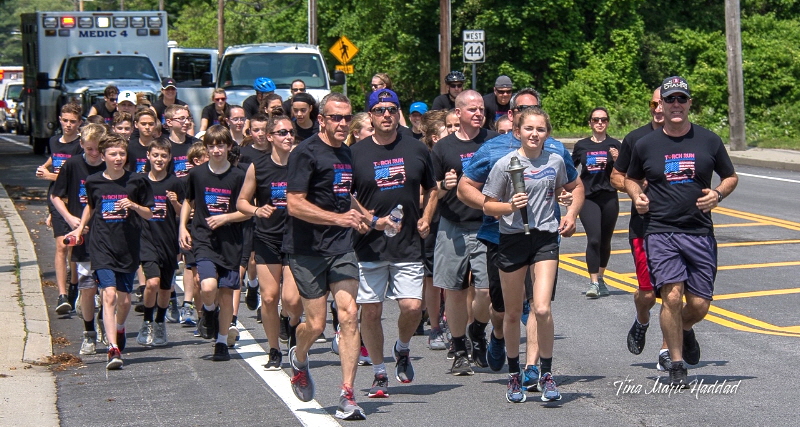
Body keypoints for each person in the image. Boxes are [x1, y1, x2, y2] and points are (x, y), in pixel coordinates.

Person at [457, 88, 580, 392]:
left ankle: (534, 369)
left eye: (538, 116)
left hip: (544, 236)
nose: (534, 131)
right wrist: (502, 208)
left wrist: (571, 212)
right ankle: (498, 338)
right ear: (513, 119)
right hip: (501, 236)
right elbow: (467, 190)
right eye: (526, 116)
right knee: (504, 310)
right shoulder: (494, 151)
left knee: (540, 308)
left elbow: (573, 187)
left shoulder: (556, 153)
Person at [624, 76, 738, 386]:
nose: (676, 105)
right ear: (661, 104)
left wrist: (718, 194)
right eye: (670, 99)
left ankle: (684, 329)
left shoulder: (709, 140)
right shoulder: (645, 143)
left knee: (699, 304)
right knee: (671, 297)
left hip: (699, 231)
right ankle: (675, 364)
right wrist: (637, 195)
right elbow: (630, 178)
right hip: (660, 231)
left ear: (689, 104)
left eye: (681, 99)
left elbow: (730, 176)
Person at [283, 92, 374, 420]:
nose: (342, 123)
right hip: (306, 249)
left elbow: (343, 194)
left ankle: (347, 394)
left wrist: (367, 217)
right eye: (336, 117)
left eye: (347, 117)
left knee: (349, 314)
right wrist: (338, 218)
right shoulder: (305, 153)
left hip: (341, 247)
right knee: (317, 323)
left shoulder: (346, 153)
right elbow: (294, 203)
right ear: (321, 119)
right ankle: (300, 355)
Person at [351, 89, 438, 398]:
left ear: (397, 113)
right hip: (368, 245)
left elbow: (433, 188)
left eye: (391, 109)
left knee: (413, 307)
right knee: (371, 313)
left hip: (408, 243)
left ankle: (402, 348)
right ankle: (378, 372)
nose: (386, 114)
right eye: (379, 110)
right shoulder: (356, 153)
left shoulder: (416, 149)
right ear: (370, 115)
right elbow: (346, 195)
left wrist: (426, 216)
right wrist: (366, 218)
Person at [64, 133, 155, 370]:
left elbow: (150, 212)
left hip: (128, 246)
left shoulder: (136, 181)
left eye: (122, 154)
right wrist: (80, 229)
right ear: (103, 155)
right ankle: (113, 348)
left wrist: (134, 205)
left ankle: (121, 326)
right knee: (109, 295)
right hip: (101, 245)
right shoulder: (93, 181)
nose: (117, 158)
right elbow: (90, 208)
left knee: (124, 301)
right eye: (113, 154)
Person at [430, 90, 499, 375]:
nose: (478, 113)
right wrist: (444, 185)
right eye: (472, 109)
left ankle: (478, 332)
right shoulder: (443, 148)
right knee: (455, 291)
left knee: (485, 290)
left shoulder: (495, 141)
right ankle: (459, 349)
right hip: (452, 226)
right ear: (457, 114)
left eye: (481, 109)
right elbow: (430, 190)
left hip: (487, 224)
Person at [237, 115, 302, 370]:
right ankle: (274, 349)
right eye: (282, 133)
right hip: (266, 237)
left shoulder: (301, 164)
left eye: (290, 132)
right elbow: (242, 201)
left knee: (292, 300)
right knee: (269, 297)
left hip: (297, 238)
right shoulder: (258, 166)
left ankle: (291, 323)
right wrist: (255, 211)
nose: (288, 137)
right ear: (271, 137)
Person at [179, 125, 248, 361]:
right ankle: (208, 310)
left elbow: (249, 211)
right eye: (211, 146)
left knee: (226, 293)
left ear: (229, 146)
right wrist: (182, 228)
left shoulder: (239, 176)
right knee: (207, 286)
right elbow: (188, 201)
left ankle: (221, 342)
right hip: (204, 238)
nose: (216, 150)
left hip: (231, 241)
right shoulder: (197, 174)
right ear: (206, 148)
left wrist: (227, 217)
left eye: (221, 145)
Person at [610, 87, 668, 360]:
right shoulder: (635, 139)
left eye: (664, 102)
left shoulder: (686, 138)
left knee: (672, 292)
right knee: (647, 294)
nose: (658, 108)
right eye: (654, 103)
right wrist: (635, 189)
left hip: (676, 226)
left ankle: (668, 349)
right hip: (643, 226)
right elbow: (615, 177)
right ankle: (642, 321)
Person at [50, 124, 108, 355]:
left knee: (107, 288)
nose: (95, 154)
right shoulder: (73, 165)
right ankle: (89, 333)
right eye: (90, 148)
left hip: (106, 234)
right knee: (87, 287)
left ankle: (104, 320)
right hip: (82, 235)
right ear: (82, 145)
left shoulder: (110, 165)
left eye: (98, 149)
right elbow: (56, 196)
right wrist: (70, 219)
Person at [36, 102, 84, 315]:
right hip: (55, 199)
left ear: (79, 123)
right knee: (61, 246)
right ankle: (62, 295)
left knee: (73, 245)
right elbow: (55, 159)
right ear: (60, 120)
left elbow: (74, 176)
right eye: (65, 121)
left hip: (73, 200)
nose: (68, 125)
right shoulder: (54, 141)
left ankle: (74, 284)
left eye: (73, 122)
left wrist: (50, 175)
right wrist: (44, 169)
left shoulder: (81, 146)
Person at [136, 139, 185, 348]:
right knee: (152, 283)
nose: (159, 159)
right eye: (155, 155)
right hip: (146, 239)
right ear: (148, 156)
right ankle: (147, 321)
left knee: (166, 288)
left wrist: (175, 202)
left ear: (169, 158)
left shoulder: (175, 183)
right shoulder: (139, 182)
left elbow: (184, 212)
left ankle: (159, 322)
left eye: (163, 156)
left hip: (168, 240)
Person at [572, 108, 621, 298]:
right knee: (594, 238)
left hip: (609, 196)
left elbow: (626, 171)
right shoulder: (582, 145)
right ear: (590, 123)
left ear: (607, 122)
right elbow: (570, 168)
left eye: (603, 120)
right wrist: (566, 189)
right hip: (588, 197)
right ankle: (593, 282)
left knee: (605, 240)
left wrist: (617, 160)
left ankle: (601, 278)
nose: (600, 123)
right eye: (596, 120)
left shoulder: (615, 144)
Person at [164, 105, 199, 179]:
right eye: (181, 118)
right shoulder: (162, 146)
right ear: (169, 122)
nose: (187, 122)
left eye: (188, 118)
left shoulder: (197, 144)